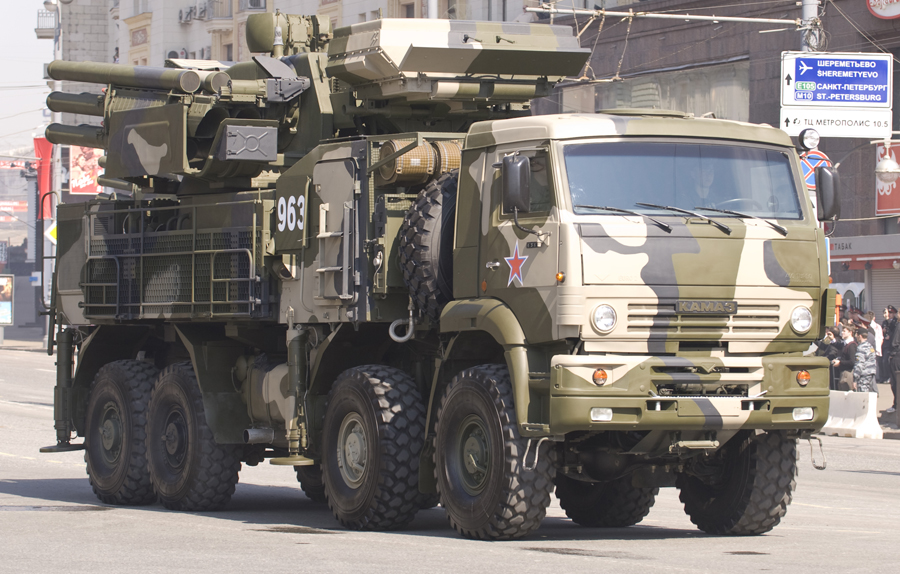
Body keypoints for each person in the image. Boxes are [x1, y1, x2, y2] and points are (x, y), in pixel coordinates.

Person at [831, 323, 857, 391]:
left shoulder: (851, 346)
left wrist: (840, 362)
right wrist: (832, 339)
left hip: (848, 373)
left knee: (847, 393)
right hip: (843, 373)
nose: (842, 333)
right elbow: (839, 345)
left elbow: (852, 362)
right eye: (842, 331)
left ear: (850, 332)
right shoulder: (845, 344)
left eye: (844, 331)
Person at [853, 329, 878, 393]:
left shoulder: (861, 348)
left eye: (857, 334)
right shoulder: (870, 347)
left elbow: (859, 364)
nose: (855, 336)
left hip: (863, 375)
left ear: (860, 336)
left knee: (863, 396)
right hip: (871, 375)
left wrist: (855, 378)